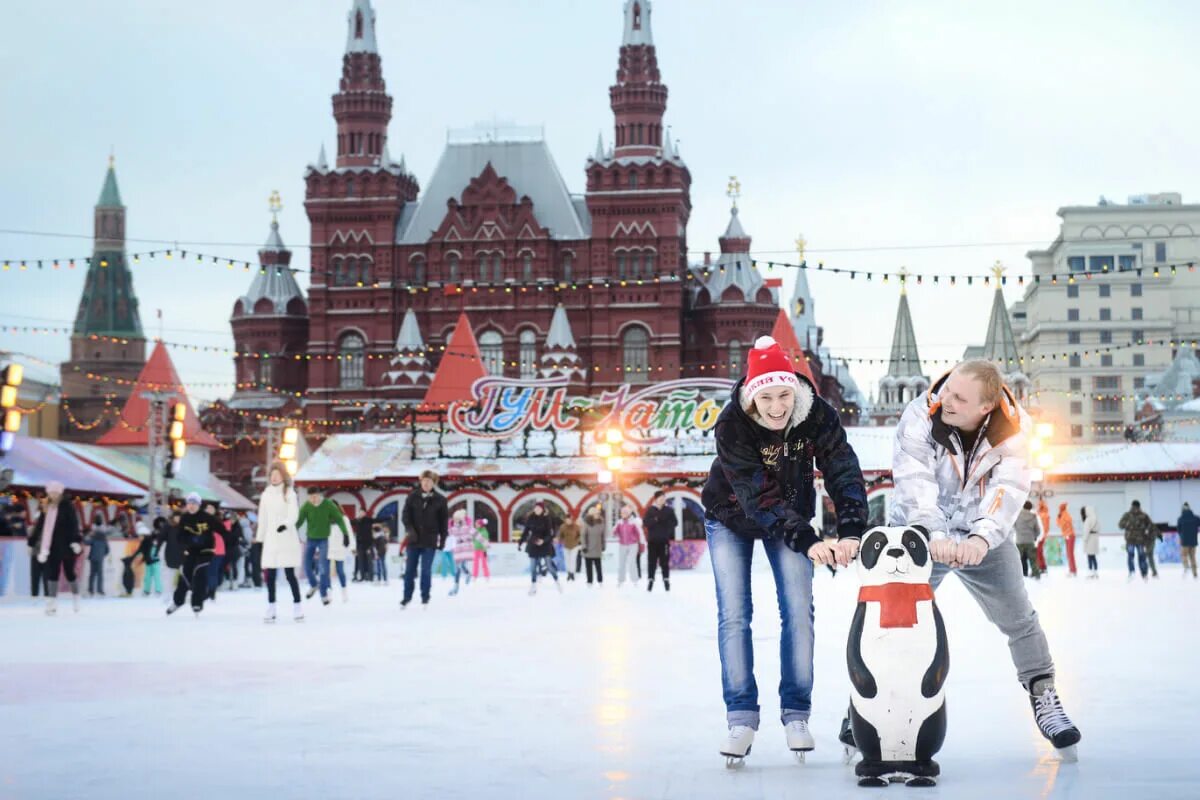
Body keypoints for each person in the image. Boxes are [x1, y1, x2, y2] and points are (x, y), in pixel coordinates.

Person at [887, 359, 1080, 757]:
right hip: (921, 532)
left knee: (1019, 617)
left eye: (960, 398)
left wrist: (982, 537)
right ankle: (869, 709)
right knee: (893, 621)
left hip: (982, 535)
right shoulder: (921, 414)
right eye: (947, 390)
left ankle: (1043, 695)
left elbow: (1009, 487)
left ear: (985, 409)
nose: (947, 401)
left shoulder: (1016, 431)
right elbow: (913, 479)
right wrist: (934, 533)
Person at [702, 335, 867, 764]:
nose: (777, 408)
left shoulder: (818, 416)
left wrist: (850, 529)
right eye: (766, 399)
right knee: (735, 615)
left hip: (791, 516)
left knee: (798, 610)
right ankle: (741, 716)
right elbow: (759, 497)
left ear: (795, 390)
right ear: (752, 398)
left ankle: (796, 712)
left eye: (784, 396)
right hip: (731, 513)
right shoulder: (733, 424)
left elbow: (843, 469)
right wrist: (810, 540)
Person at [256, 462, 304, 622]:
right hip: (271, 539)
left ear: (283, 476)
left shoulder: (289, 493)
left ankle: (297, 606)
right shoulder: (266, 494)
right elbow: (262, 518)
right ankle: (271, 607)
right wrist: (259, 538)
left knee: (290, 574)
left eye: (277, 474)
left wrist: (286, 524)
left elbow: (294, 513)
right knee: (270, 575)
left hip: (286, 537)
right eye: (272, 475)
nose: (274, 477)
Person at [30, 481, 83, 615]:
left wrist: (76, 541)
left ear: (60, 493)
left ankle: (76, 597)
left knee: (69, 572)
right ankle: (51, 603)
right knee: (52, 574)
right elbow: (40, 525)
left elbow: (74, 524)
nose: (53, 495)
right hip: (51, 546)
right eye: (51, 492)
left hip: (67, 544)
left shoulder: (68, 506)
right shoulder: (46, 506)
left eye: (55, 492)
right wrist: (32, 540)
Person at [400, 470, 448, 608]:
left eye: (429, 481)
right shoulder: (412, 497)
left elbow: (443, 522)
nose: (426, 483)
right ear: (421, 481)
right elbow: (405, 516)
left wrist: (443, 539)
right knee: (409, 570)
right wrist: (410, 530)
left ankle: (425, 596)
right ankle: (406, 597)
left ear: (434, 483)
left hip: (430, 540)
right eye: (424, 481)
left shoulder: (440, 500)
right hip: (413, 540)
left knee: (426, 570)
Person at [167, 493, 220, 616]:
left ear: (199, 505)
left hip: (206, 551)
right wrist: (189, 542)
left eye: (194, 504)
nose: (191, 506)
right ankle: (178, 601)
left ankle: (197, 603)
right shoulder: (184, 518)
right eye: (189, 503)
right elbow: (180, 537)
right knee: (185, 576)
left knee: (200, 575)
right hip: (191, 551)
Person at [296, 488, 350, 606]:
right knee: (306, 565)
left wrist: (345, 534)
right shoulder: (306, 506)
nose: (313, 500)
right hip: (310, 539)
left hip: (323, 540)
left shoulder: (328, 504)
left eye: (314, 497)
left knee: (323, 567)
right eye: (310, 498)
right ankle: (314, 585)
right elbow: (299, 521)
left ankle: (324, 595)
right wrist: (292, 530)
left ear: (319, 495)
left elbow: (340, 519)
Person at [519, 501, 562, 596]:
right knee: (533, 566)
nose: (537, 509)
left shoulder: (547, 519)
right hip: (533, 544)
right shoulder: (531, 518)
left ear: (542, 509)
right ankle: (533, 585)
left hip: (545, 545)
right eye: (536, 508)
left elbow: (550, 534)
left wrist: (543, 540)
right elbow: (526, 531)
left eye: (539, 508)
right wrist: (520, 542)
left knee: (549, 565)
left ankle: (557, 581)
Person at [642, 491, 677, 592]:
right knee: (651, 562)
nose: (662, 499)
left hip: (664, 541)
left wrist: (667, 529)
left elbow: (675, 522)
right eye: (660, 498)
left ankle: (666, 580)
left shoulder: (669, 510)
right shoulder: (650, 510)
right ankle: (650, 580)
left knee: (664, 562)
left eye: (664, 497)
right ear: (656, 499)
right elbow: (645, 523)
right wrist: (655, 520)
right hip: (652, 541)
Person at [325, 502, 356, 603]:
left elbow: (349, 532)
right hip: (328, 547)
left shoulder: (344, 518)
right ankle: (328, 592)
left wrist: (352, 546)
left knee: (340, 571)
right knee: (326, 572)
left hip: (339, 547)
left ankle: (344, 591)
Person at [1119, 500, 1154, 582]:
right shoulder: (1129, 515)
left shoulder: (1142, 516)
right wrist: (1128, 524)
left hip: (1139, 540)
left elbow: (1150, 525)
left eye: (1136, 507)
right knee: (1137, 556)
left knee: (1137, 556)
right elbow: (1120, 525)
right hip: (1133, 539)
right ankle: (1137, 573)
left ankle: (1140, 573)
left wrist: (1146, 530)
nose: (1135, 509)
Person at [611, 504, 645, 588]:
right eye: (622, 513)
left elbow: (640, 534)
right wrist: (614, 531)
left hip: (633, 544)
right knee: (621, 562)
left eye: (625, 513)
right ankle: (620, 580)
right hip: (622, 544)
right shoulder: (619, 522)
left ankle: (635, 580)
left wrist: (642, 544)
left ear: (629, 513)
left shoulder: (634, 522)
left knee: (632, 562)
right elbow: (613, 532)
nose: (623, 514)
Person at [446, 509, 475, 596]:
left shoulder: (467, 527)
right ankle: (457, 586)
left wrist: (485, 543)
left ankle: (458, 585)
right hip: (457, 551)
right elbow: (446, 535)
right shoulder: (452, 528)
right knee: (458, 567)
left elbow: (475, 533)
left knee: (460, 566)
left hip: (465, 550)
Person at [136, 518, 166, 595]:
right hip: (150, 560)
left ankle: (157, 590)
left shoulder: (162, 534)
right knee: (148, 575)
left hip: (155, 559)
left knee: (156, 575)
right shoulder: (152, 535)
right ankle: (147, 590)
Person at [1014, 502, 1043, 580]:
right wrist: (1034, 536)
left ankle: (1023, 575)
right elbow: (1038, 530)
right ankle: (1036, 574)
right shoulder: (1033, 517)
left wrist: (1019, 533)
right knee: (1033, 559)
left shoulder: (1017, 516)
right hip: (1030, 541)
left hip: (1019, 541)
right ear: (1030, 508)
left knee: (1020, 559)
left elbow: (1014, 526)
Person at [204, 501, 225, 602]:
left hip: (217, 549)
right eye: (207, 508)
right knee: (207, 571)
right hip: (206, 549)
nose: (209, 510)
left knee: (212, 571)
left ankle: (211, 592)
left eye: (211, 508)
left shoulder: (217, 520)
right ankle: (208, 591)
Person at [581, 504, 606, 585]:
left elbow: (603, 535)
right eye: (596, 514)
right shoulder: (586, 524)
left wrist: (603, 545)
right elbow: (583, 535)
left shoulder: (601, 523)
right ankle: (589, 581)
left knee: (598, 566)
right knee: (588, 566)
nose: (598, 515)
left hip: (597, 548)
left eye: (598, 514)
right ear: (591, 515)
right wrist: (584, 546)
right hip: (588, 548)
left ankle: (600, 581)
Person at [85, 520, 110, 597]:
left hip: (93, 557)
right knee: (100, 574)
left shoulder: (94, 537)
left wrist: (86, 536)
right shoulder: (103, 538)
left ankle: (90, 590)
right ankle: (100, 590)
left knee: (92, 574)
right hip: (100, 558)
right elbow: (107, 549)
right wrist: (102, 555)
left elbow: (86, 542)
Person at [558, 513, 582, 583]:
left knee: (573, 559)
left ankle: (572, 573)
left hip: (574, 546)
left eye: (570, 519)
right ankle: (568, 572)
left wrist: (577, 541)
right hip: (566, 545)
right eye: (567, 519)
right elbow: (561, 535)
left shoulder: (576, 526)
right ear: (565, 520)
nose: (568, 521)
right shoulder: (562, 527)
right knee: (567, 560)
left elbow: (579, 535)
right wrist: (561, 541)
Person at [1177, 503, 1198, 579]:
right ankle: (1195, 573)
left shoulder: (1180, 518)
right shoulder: (1196, 518)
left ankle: (1186, 566)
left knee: (1184, 555)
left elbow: (1179, 530)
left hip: (1185, 541)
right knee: (1193, 557)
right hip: (1193, 541)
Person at [1056, 502, 1077, 577]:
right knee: (1069, 554)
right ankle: (1072, 570)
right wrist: (1058, 517)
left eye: (1060, 508)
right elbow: (1059, 525)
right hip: (1067, 536)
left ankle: (1073, 571)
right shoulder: (1062, 515)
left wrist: (1068, 533)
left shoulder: (1066, 515)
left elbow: (1068, 525)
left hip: (1070, 536)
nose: (1059, 509)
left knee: (1070, 554)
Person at [1081, 506, 1100, 579]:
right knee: (1094, 556)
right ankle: (1095, 572)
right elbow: (1099, 528)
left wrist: (1084, 539)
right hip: (1095, 538)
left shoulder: (1088, 520)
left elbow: (1086, 530)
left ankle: (1090, 571)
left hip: (1089, 539)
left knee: (1089, 556)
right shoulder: (1096, 519)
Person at [1036, 498, 1051, 572]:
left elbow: (1043, 527)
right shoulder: (1044, 514)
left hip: (1041, 536)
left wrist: (1041, 535)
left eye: (1039, 505)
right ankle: (1043, 567)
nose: (1038, 506)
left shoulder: (1043, 515)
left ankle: (1041, 567)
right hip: (1042, 535)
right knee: (1039, 551)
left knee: (1038, 552)